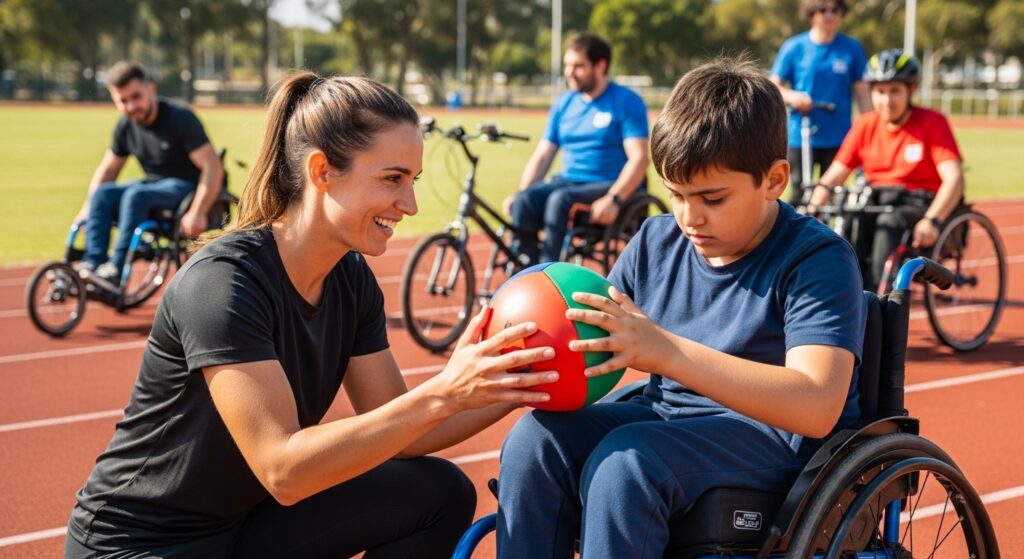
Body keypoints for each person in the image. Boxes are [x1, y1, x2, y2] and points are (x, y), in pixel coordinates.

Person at [65, 74, 559, 559]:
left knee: (436, 492)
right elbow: (284, 469)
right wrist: (443, 391)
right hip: (138, 544)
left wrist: (521, 378)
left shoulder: (350, 279)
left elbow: (411, 433)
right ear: (321, 171)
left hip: (242, 525)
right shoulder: (223, 283)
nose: (409, 204)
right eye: (392, 179)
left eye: (413, 181)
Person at [496, 58, 866, 558]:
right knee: (534, 441)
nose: (690, 217)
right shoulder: (656, 238)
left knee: (626, 465)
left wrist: (665, 351)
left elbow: (816, 404)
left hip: (772, 438)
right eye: (675, 194)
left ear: (775, 180)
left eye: (712, 198)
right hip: (666, 417)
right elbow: (593, 340)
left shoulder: (817, 259)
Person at [807, 49, 964, 290]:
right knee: (849, 218)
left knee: (888, 223)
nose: (886, 100)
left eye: (894, 91)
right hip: (877, 198)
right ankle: (845, 293)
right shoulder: (864, 125)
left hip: (919, 203)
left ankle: (878, 300)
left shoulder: (933, 123)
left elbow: (954, 178)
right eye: (880, 92)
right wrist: (814, 208)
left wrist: (933, 220)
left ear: (910, 91)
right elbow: (834, 175)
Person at [503, 31, 649, 265]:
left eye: (578, 66)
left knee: (559, 200)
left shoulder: (625, 101)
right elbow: (543, 156)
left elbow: (639, 159)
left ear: (600, 66)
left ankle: (549, 273)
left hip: (607, 183)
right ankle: (523, 272)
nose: (569, 72)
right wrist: (523, 191)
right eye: (567, 65)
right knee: (524, 201)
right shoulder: (564, 104)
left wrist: (614, 199)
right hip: (569, 182)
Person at [74, 61, 224, 285]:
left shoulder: (179, 118)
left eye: (136, 97)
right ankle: (93, 264)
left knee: (135, 195)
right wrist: (87, 208)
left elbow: (213, 167)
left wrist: (198, 211)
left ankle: (115, 269)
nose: (131, 106)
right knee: (102, 194)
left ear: (150, 89)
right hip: (154, 186)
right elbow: (108, 169)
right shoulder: (126, 126)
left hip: (186, 187)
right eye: (123, 101)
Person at [770, 0, 872, 205]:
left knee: (832, 196)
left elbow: (863, 93)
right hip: (802, 135)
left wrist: (870, 128)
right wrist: (794, 96)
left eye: (835, 10)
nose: (829, 15)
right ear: (811, 14)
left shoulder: (851, 48)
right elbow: (774, 87)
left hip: (839, 136)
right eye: (823, 10)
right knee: (799, 192)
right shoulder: (794, 47)